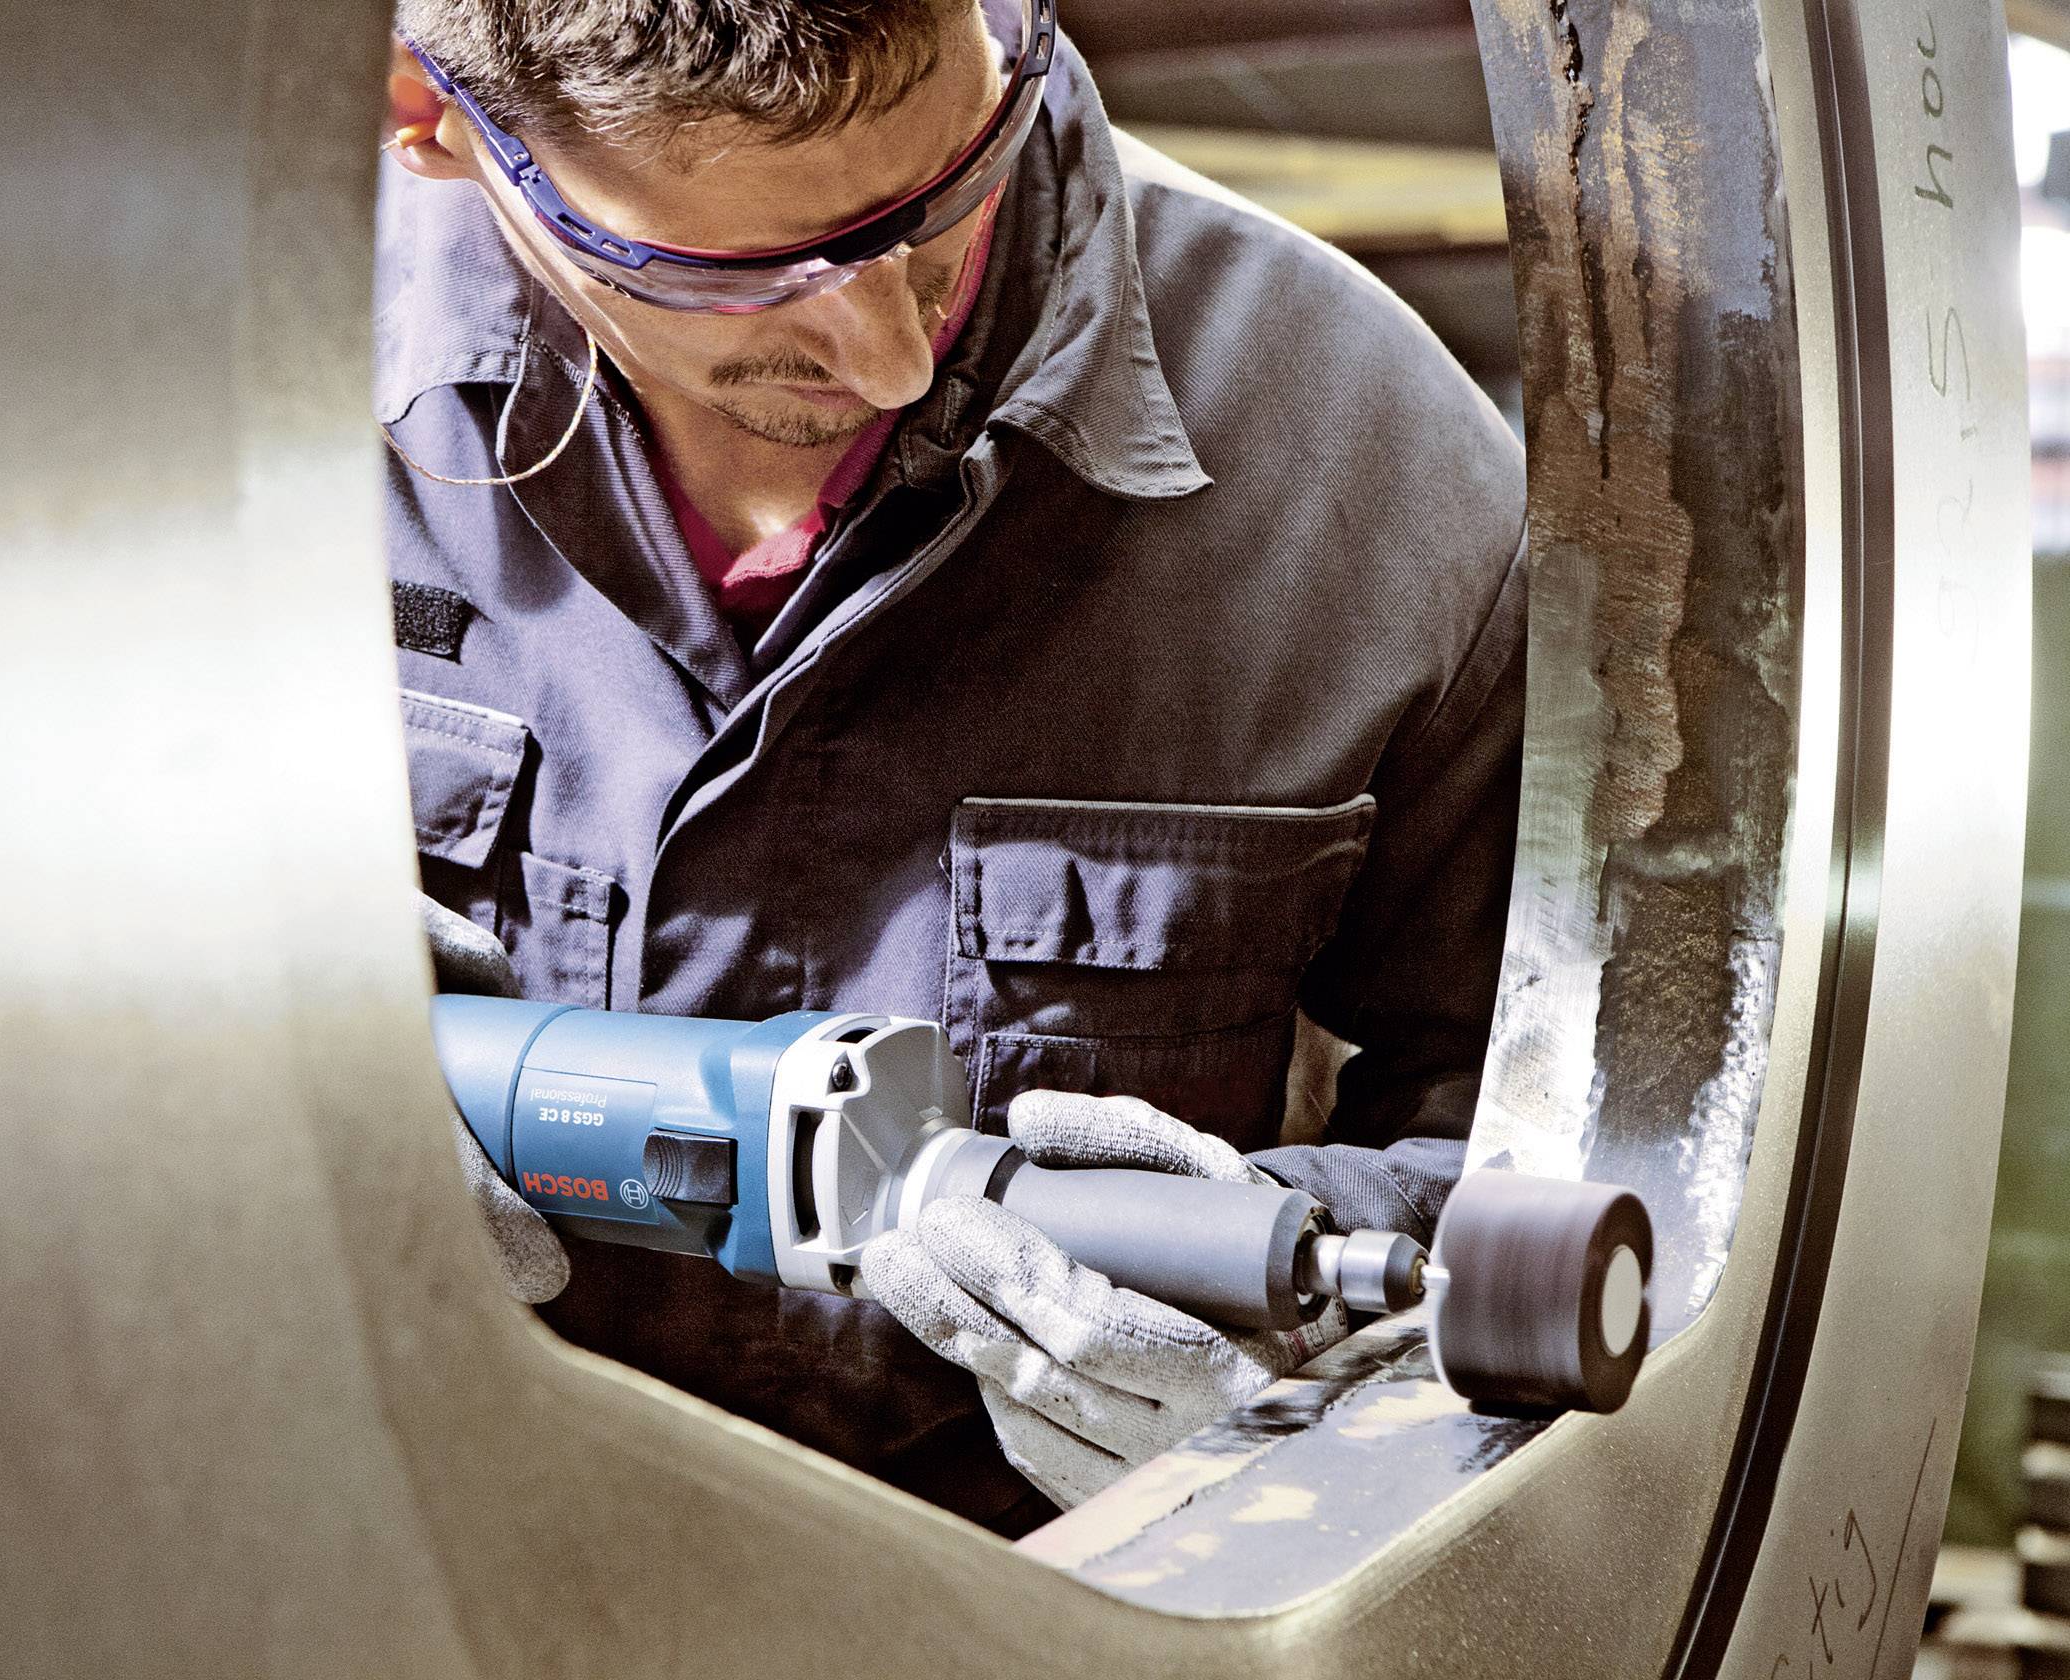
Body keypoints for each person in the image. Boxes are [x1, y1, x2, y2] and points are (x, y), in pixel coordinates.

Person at [383, 0, 1526, 1537]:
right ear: (430, 115)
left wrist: (1311, 1348)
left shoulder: (1375, 466)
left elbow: (1549, 1142)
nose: (893, 350)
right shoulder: (170, 406)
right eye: (751, 275)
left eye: (946, 204)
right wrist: (205, 1103)